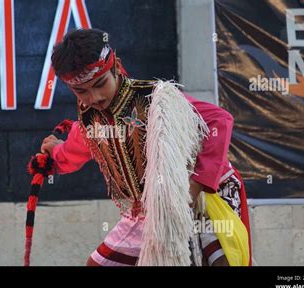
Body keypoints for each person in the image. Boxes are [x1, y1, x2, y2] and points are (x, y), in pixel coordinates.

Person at [41, 28, 250, 266]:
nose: (95, 97)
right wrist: (53, 157)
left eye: (100, 84)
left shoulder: (156, 99)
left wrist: (196, 185)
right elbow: (74, 150)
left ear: (115, 67)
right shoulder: (90, 119)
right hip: (148, 213)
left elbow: (219, 120)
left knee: (220, 262)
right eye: (81, 91)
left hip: (206, 198)